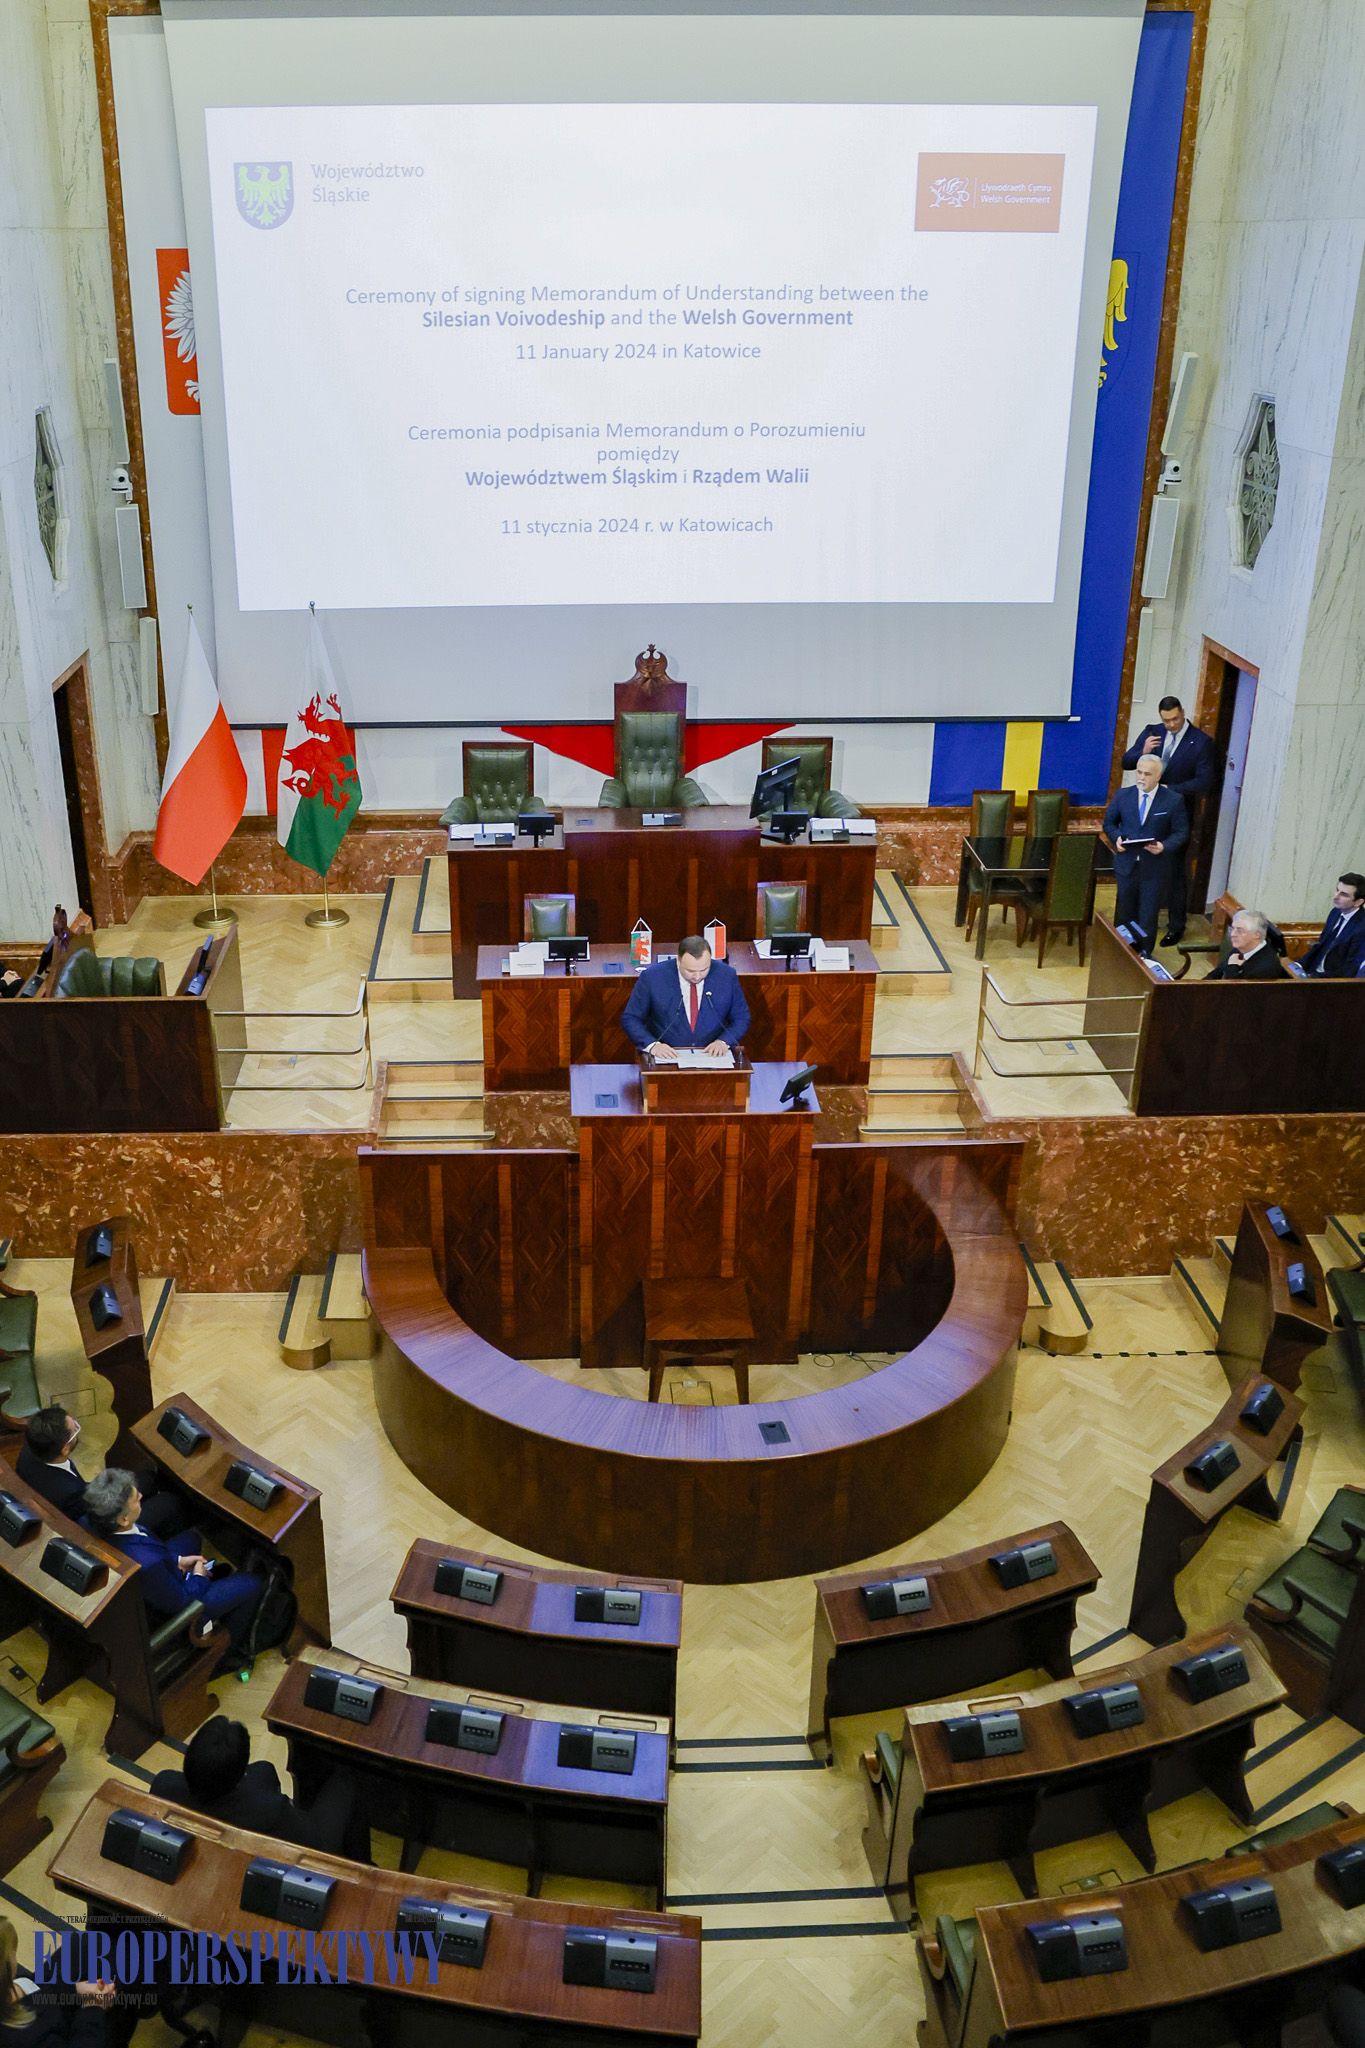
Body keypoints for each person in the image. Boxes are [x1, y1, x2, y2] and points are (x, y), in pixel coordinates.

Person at [81, 1469, 263, 1678]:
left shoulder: (88, 1522)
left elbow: (150, 1552)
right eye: (136, 1499)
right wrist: (198, 1576)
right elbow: (182, 1604)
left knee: (192, 1540)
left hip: (149, 1577)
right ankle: (224, 1657)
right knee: (252, 1583)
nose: (141, 1495)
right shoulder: (149, 1564)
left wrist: (177, 1560)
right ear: (122, 1519)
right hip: (172, 1615)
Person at [150, 1714, 367, 1860]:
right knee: (347, 1780)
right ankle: (364, 1865)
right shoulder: (272, 1810)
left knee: (267, 1771)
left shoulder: (164, 1785)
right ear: (240, 1772)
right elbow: (316, 1844)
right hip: (313, 1846)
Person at [1121, 695, 1218, 944]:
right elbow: (1127, 762)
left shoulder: (1201, 742)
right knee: (1139, 867)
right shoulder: (1152, 732)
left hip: (1176, 815)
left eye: (1175, 719)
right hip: (1145, 815)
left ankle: (1176, 925)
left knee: (1175, 873)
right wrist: (1142, 751)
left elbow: (1206, 781)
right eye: (1166, 720)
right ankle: (1134, 923)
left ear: (1183, 713)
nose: (1171, 725)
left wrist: (1170, 788)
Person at [16, 1408, 185, 1536]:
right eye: (75, 1429)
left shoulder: (31, 1449)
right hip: (105, 1523)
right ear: (65, 1449)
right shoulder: (69, 1493)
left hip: (84, 1501)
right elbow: (96, 1516)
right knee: (169, 1502)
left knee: (148, 1477)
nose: (76, 1423)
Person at [1102, 755, 1189, 957]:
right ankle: (1123, 949)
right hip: (1127, 865)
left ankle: (1144, 953)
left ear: (1158, 776)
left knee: (1147, 915)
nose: (1141, 777)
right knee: (1125, 912)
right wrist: (1117, 839)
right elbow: (1109, 824)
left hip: (1155, 868)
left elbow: (1181, 832)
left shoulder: (1173, 800)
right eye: (1139, 772)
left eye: (1147, 774)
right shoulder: (1123, 795)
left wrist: (1164, 846)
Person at [621, 935, 749, 1062]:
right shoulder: (652, 977)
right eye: (691, 971)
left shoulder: (726, 975)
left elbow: (741, 1017)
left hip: (712, 1057)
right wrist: (653, 1045)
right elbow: (631, 1018)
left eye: (704, 970)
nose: (697, 977)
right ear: (678, 961)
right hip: (665, 1058)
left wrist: (724, 1041)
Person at [0, 1918, 112, 2048]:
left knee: (86, 1943)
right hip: (74, 2029)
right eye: (12, 1955)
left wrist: (74, 1988)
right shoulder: (26, 2038)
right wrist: (93, 2008)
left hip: (41, 1993)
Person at [1301, 872, 1365, 977]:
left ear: (1358, 902)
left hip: (1332, 983)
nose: (1336, 896)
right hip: (1312, 971)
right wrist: (1299, 964)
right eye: (1337, 890)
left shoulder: (1362, 928)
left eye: (1344, 894)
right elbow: (1320, 945)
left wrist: (1314, 978)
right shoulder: (1335, 912)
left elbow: (1349, 970)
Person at [1205, 909, 1288, 979]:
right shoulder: (1242, 947)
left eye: (1239, 930)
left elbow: (1235, 993)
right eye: (1232, 928)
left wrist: (1232, 968)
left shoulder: (1265, 968)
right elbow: (1217, 972)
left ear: (1256, 934)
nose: (1233, 934)